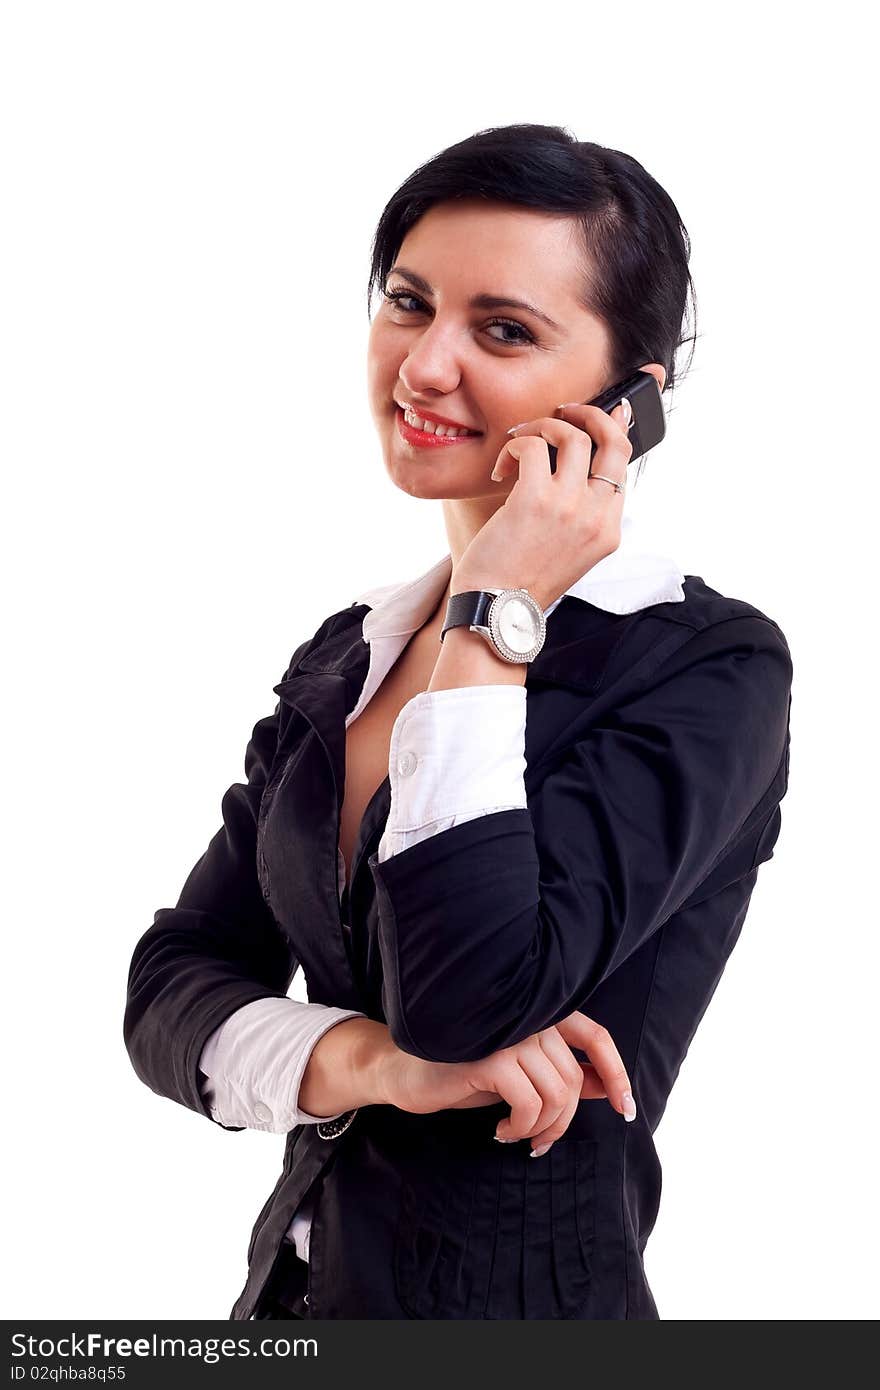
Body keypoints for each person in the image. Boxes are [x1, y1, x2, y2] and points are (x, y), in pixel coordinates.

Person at [124, 124, 793, 1321]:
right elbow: (170, 988)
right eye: (407, 301)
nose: (423, 366)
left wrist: (493, 619)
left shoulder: (704, 666)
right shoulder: (348, 654)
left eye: (503, 330)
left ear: (628, 399)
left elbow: (470, 997)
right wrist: (372, 1064)